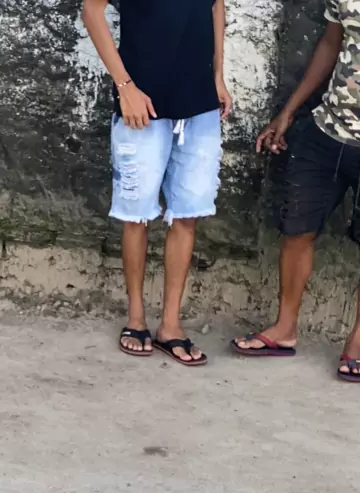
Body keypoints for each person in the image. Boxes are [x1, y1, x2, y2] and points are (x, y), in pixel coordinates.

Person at [82, 0, 231, 365]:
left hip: (199, 105)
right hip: (142, 106)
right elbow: (91, 9)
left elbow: (216, 5)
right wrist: (125, 88)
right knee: (137, 216)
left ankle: (170, 325)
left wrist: (218, 76)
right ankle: (136, 319)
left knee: (187, 215)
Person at [232, 0, 360, 382]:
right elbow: (331, 42)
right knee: (297, 229)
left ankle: (357, 344)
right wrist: (288, 111)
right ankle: (285, 328)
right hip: (327, 130)